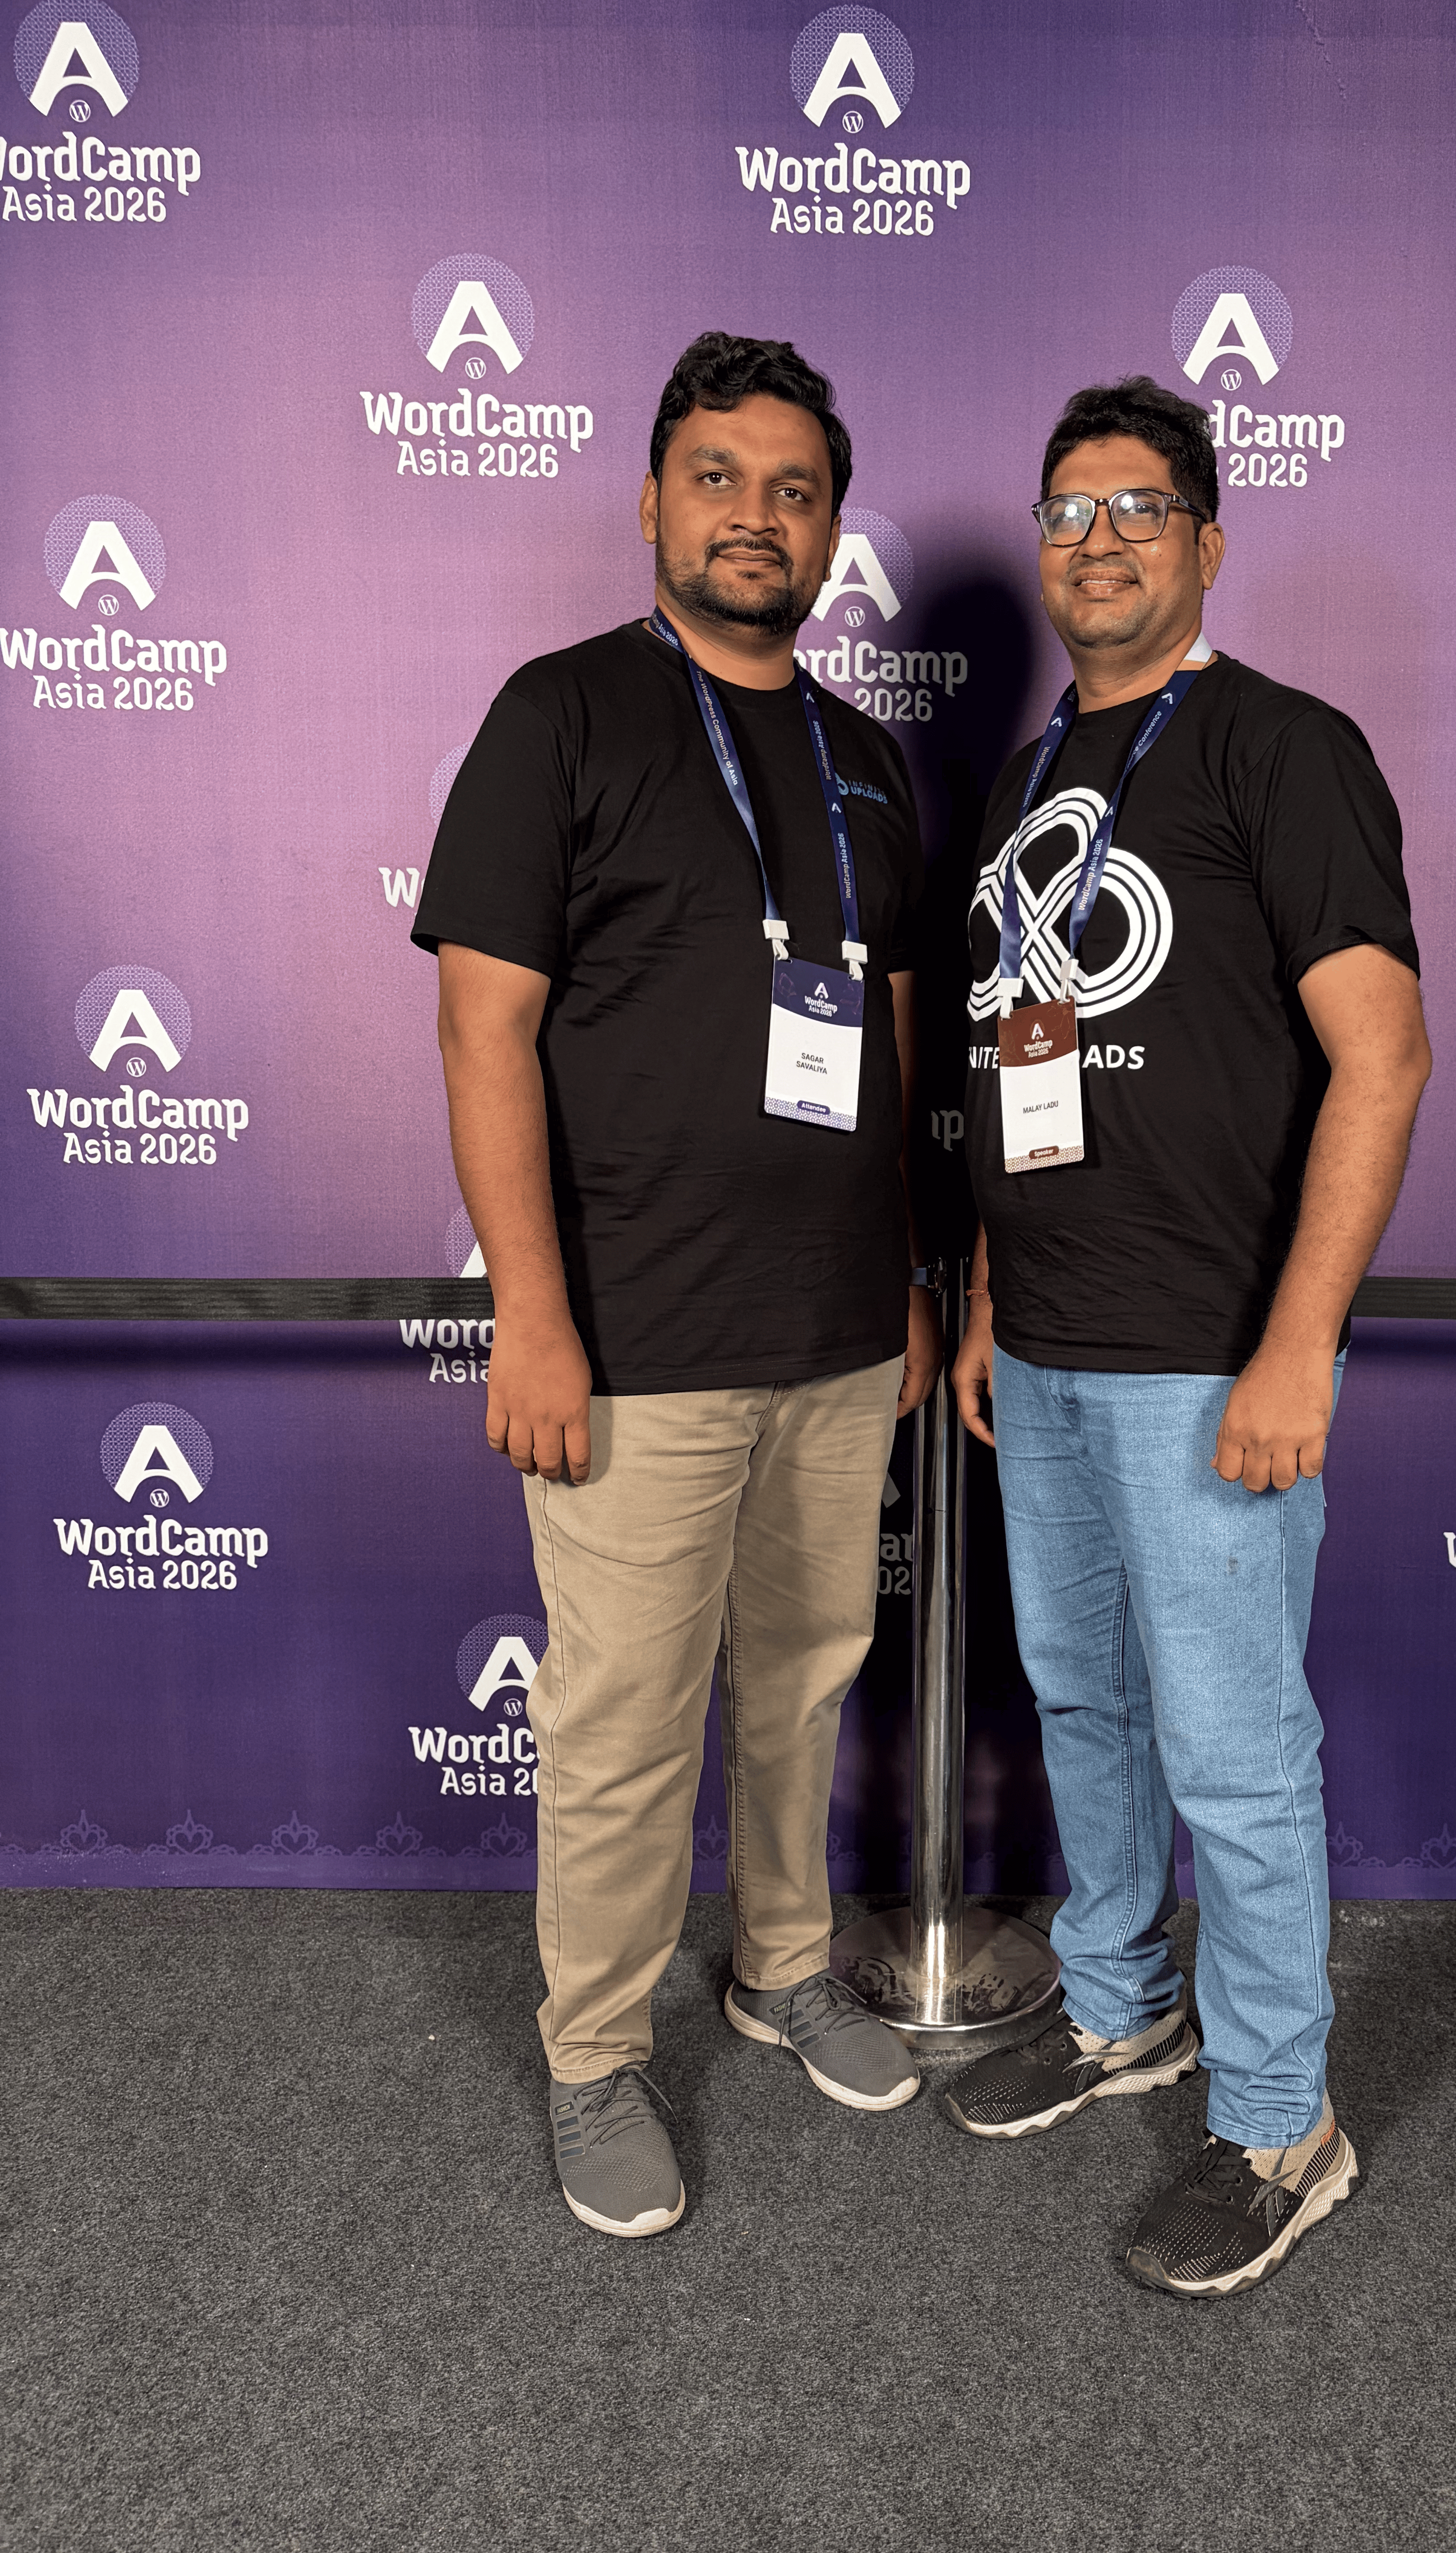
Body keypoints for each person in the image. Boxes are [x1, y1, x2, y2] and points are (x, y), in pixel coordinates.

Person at [413, 331, 941, 2239]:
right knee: (627, 1719)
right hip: (625, 1336)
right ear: (651, 500)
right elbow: (485, 1034)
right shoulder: (559, 716)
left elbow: (884, 1036)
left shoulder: (871, 759)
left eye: (793, 487)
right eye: (719, 476)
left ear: (829, 528)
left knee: (804, 1680)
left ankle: (778, 1964)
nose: (756, 515)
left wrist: (900, 1279)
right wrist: (532, 1318)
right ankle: (592, 2057)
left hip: (826, 1327)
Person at [943, 376, 1431, 2297]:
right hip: (1047, 1351)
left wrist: (1301, 1342)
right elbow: (1010, 1060)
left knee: (1235, 1754)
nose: (1099, 538)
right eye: (1068, 510)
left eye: (1141, 507)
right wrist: (988, 1295)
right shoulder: (1034, 776)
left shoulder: (1282, 750)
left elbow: (1381, 1062)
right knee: (1086, 1706)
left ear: (1210, 545)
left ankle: (1281, 2124)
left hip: (1214, 1354)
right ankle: (1118, 2005)